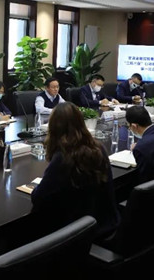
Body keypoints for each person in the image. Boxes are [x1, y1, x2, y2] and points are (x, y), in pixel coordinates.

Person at [31, 102, 120, 239]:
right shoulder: (98, 147)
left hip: (79, 236)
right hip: (105, 224)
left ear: (53, 128)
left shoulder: (63, 157)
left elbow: (38, 198)